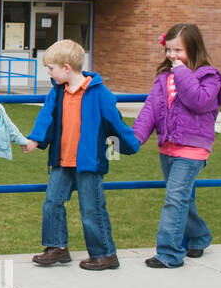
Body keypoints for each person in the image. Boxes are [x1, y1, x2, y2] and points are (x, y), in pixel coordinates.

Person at [24, 39, 140, 271]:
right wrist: (35, 139)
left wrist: (130, 144)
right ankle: (57, 247)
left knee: (91, 208)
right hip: (61, 161)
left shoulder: (99, 93)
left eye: (51, 68)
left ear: (66, 68)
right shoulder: (57, 92)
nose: (49, 73)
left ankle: (105, 254)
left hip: (89, 162)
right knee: (52, 203)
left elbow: (114, 121)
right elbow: (46, 116)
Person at [132, 24, 221, 268]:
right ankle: (199, 236)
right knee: (181, 198)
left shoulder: (210, 77)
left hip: (193, 150)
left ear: (194, 49)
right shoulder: (163, 79)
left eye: (179, 50)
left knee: (174, 198)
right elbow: (150, 111)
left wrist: (182, 73)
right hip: (167, 148)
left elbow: (199, 101)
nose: (172, 55)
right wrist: (134, 138)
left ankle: (169, 254)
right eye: (169, 50)